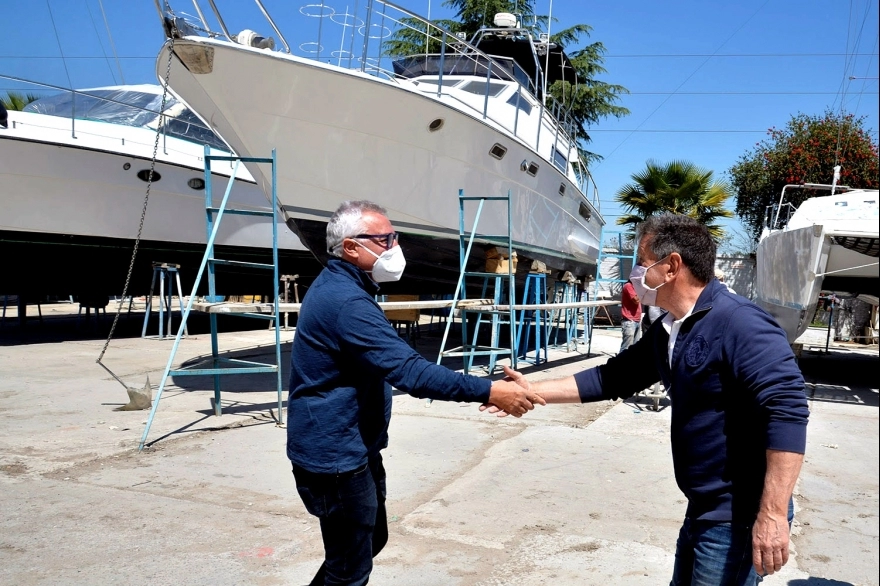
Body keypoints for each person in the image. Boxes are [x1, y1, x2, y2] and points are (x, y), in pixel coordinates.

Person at [492, 214, 809, 585]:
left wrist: (772, 514)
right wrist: (529, 390)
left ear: (671, 266)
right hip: (703, 506)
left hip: (738, 515)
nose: (635, 274)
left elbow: (788, 412)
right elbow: (611, 378)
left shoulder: (741, 323)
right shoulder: (670, 327)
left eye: (642, 264)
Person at [287, 200, 544, 586]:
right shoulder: (346, 301)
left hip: (352, 448)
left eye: (395, 237)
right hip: (336, 457)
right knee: (349, 569)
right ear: (351, 247)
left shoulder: (345, 288)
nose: (395, 247)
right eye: (385, 239)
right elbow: (410, 372)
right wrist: (489, 390)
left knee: (369, 542)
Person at [619, 280, 642, 353]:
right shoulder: (628, 286)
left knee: (635, 348)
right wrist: (643, 291)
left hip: (637, 320)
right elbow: (636, 300)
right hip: (629, 321)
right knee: (626, 348)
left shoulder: (636, 287)